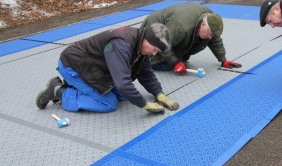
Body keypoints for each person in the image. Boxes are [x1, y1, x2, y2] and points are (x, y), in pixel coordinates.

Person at [36, 23, 179, 114]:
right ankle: (59, 91)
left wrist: (158, 93)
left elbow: (145, 73)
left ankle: (79, 89)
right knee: (108, 103)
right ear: (147, 40)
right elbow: (123, 83)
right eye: (154, 49)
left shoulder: (140, 45)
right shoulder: (121, 45)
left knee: (124, 96)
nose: (154, 54)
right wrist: (144, 104)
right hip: (74, 66)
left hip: (94, 68)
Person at [140, 3, 241, 74]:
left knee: (183, 57)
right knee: (167, 65)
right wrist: (175, 63)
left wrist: (223, 59)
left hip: (172, 34)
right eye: (209, 34)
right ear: (203, 24)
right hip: (153, 36)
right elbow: (162, 42)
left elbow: (214, 40)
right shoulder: (181, 27)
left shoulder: (210, 19)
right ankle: (148, 61)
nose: (210, 38)